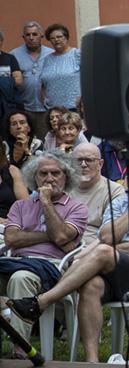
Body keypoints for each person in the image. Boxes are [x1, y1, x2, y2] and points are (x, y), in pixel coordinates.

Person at [8, 153, 129, 364]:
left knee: (104, 252)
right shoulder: (122, 203)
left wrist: (113, 247)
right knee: (91, 284)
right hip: (114, 269)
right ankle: (92, 362)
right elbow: (106, 236)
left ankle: (42, 301)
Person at [1, 151, 87, 353]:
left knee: (21, 279)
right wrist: (53, 236)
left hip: (52, 267)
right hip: (16, 262)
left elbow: (61, 236)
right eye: (43, 174)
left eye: (55, 173)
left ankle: (20, 351)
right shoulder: (20, 205)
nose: (49, 179)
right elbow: (12, 238)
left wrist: (46, 202)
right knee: (18, 275)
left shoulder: (77, 208)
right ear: (34, 177)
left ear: (66, 177)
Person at [67, 142, 125, 246]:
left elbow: (113, 234)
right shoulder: (62, 187)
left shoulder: (114, 191)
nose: (83, 164)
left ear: (100, 164)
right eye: (78, 160)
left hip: (92, 250)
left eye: (89, 160)